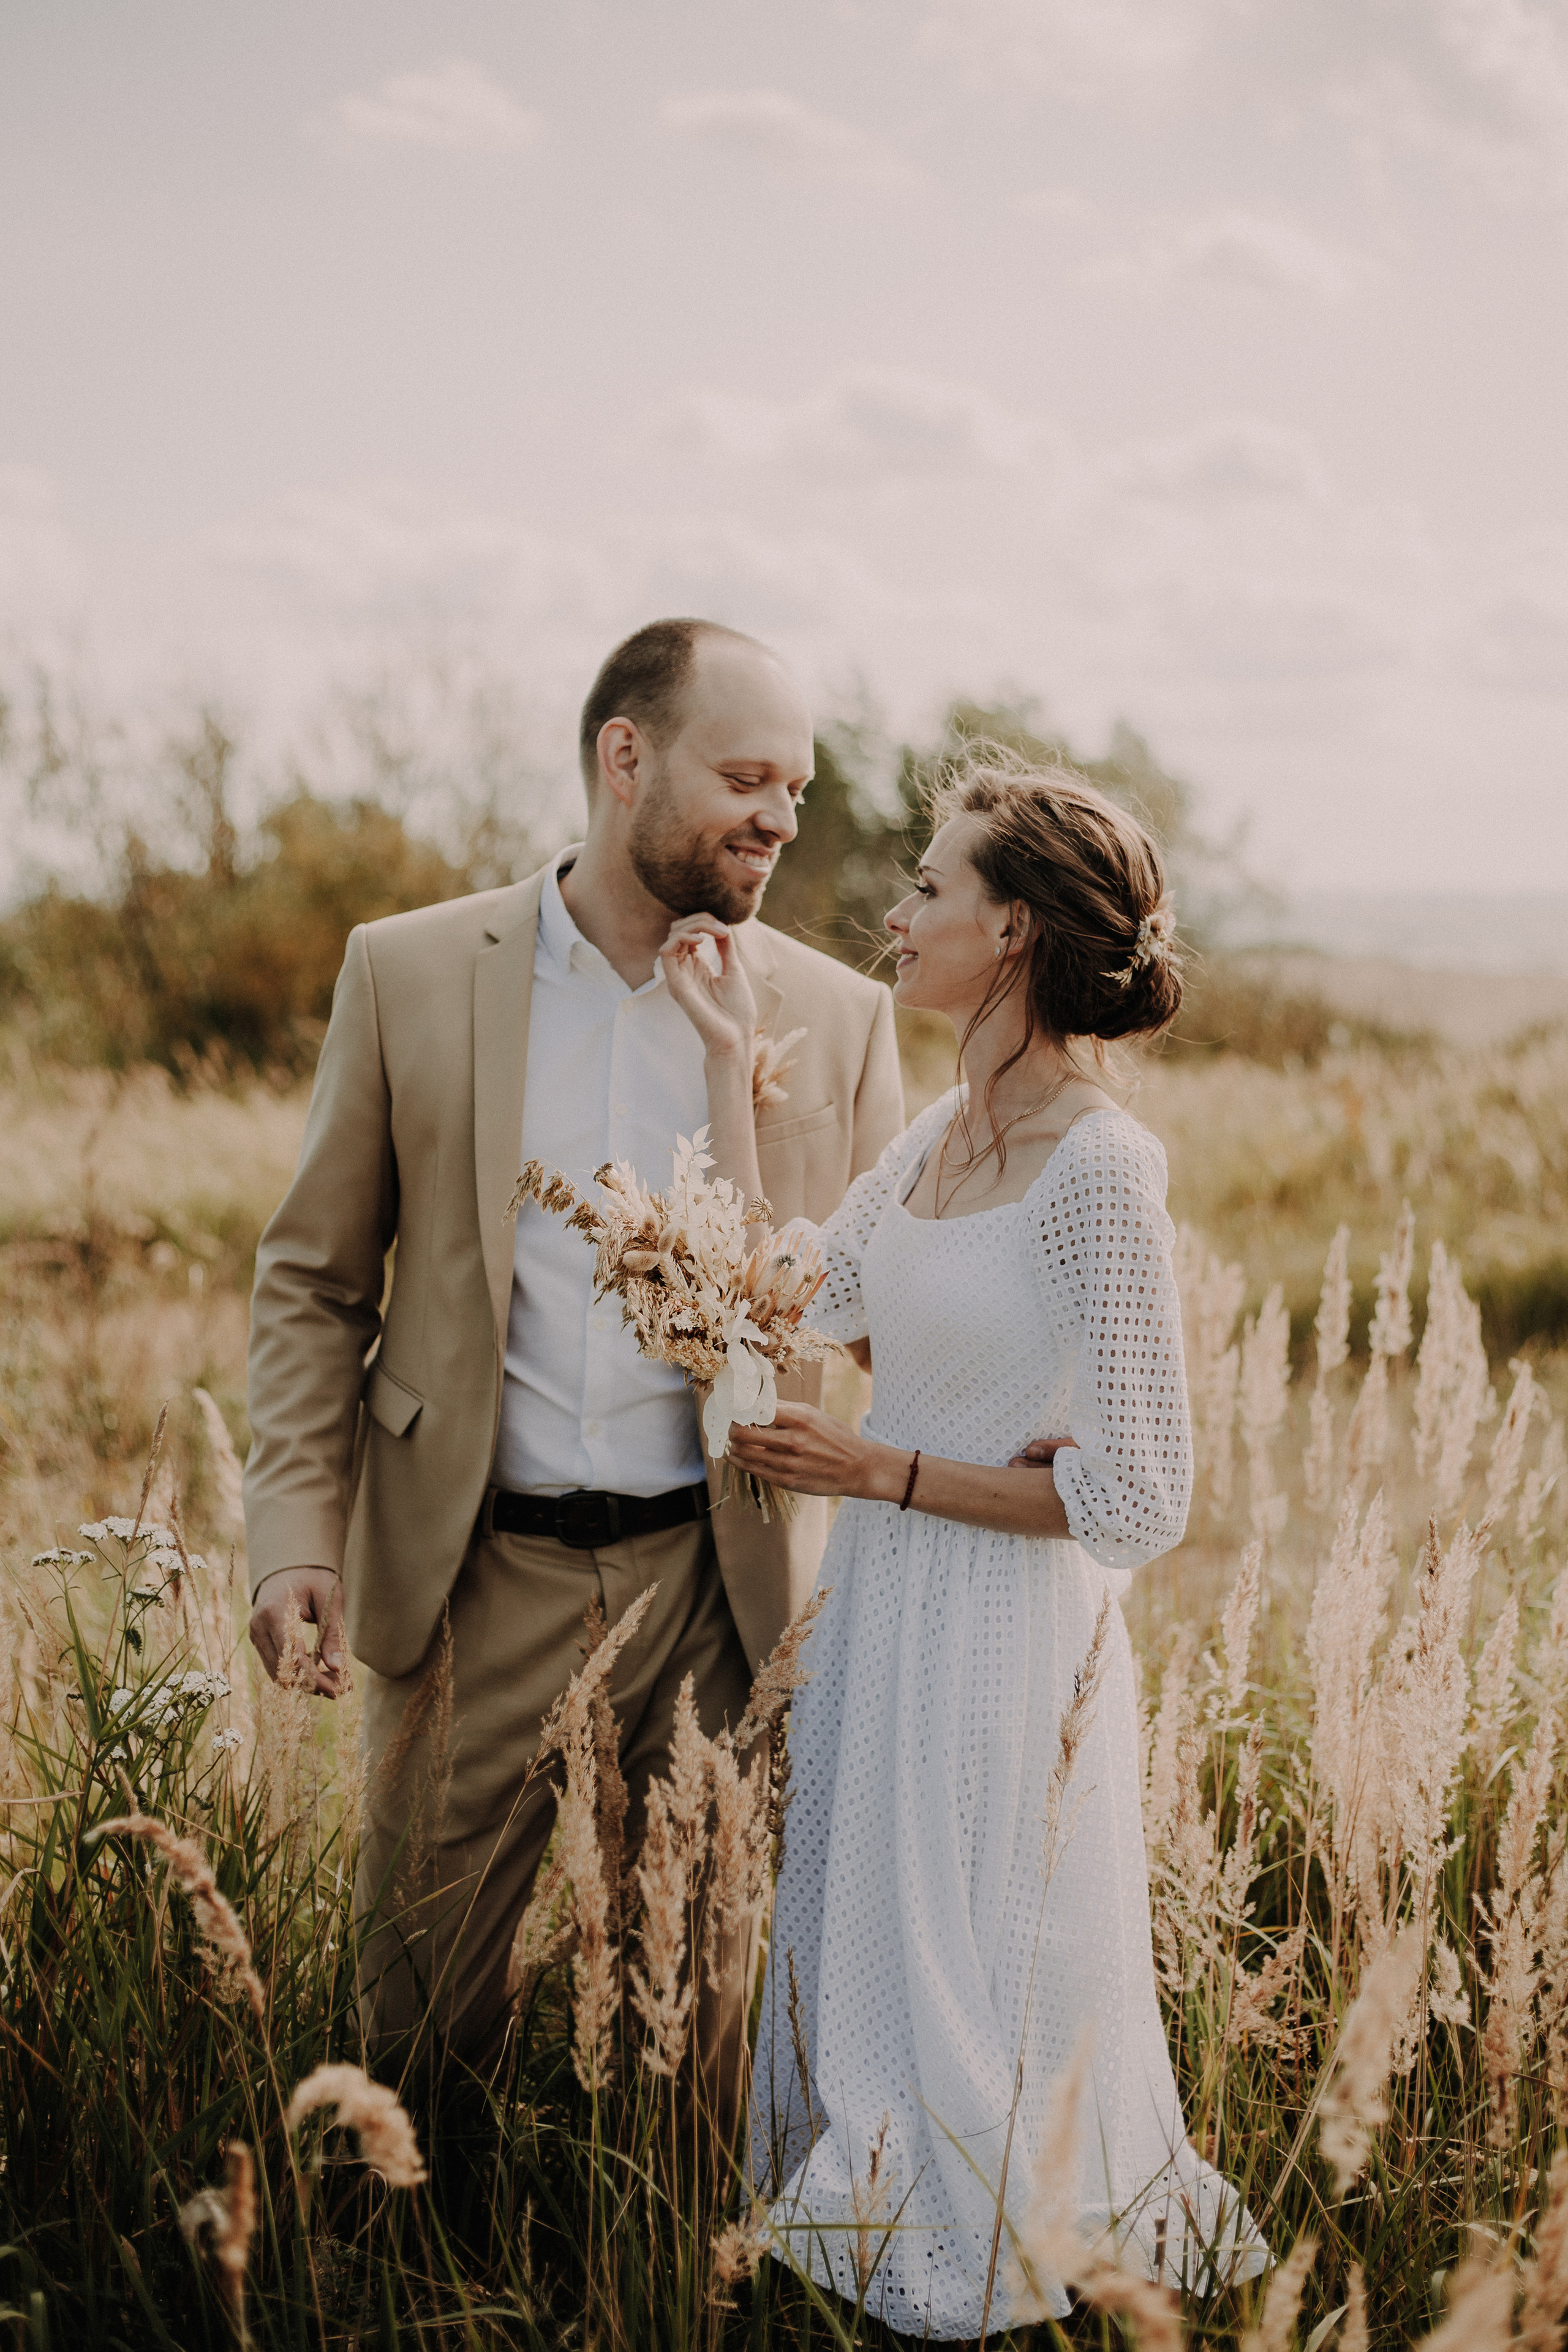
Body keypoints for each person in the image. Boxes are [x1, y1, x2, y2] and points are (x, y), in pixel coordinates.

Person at [243, 617, 905, 2126]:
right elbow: (313, 1283)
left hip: (719, 1590)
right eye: (745, 776)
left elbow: (878, 1321)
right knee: (414, 2040)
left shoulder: (835, 1017)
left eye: (795, 788)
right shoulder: (406, 971)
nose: (781, 819)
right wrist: (292, 1531)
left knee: (700, 2051)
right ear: (624, 759)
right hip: (467, 1581)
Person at [660, 749, 1267, 2335]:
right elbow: (786, 1292)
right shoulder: (935, 1138)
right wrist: (730, 1069)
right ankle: (871, 2226)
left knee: (977, 1957)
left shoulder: (1102, 1172)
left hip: (1010, 1631)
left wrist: (882, 1466)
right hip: (885, 1609)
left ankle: (991, 2246)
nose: (899, 907)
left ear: (1010, 933)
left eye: (932, 884)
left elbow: (1142, 1501)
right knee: (868, 1938)